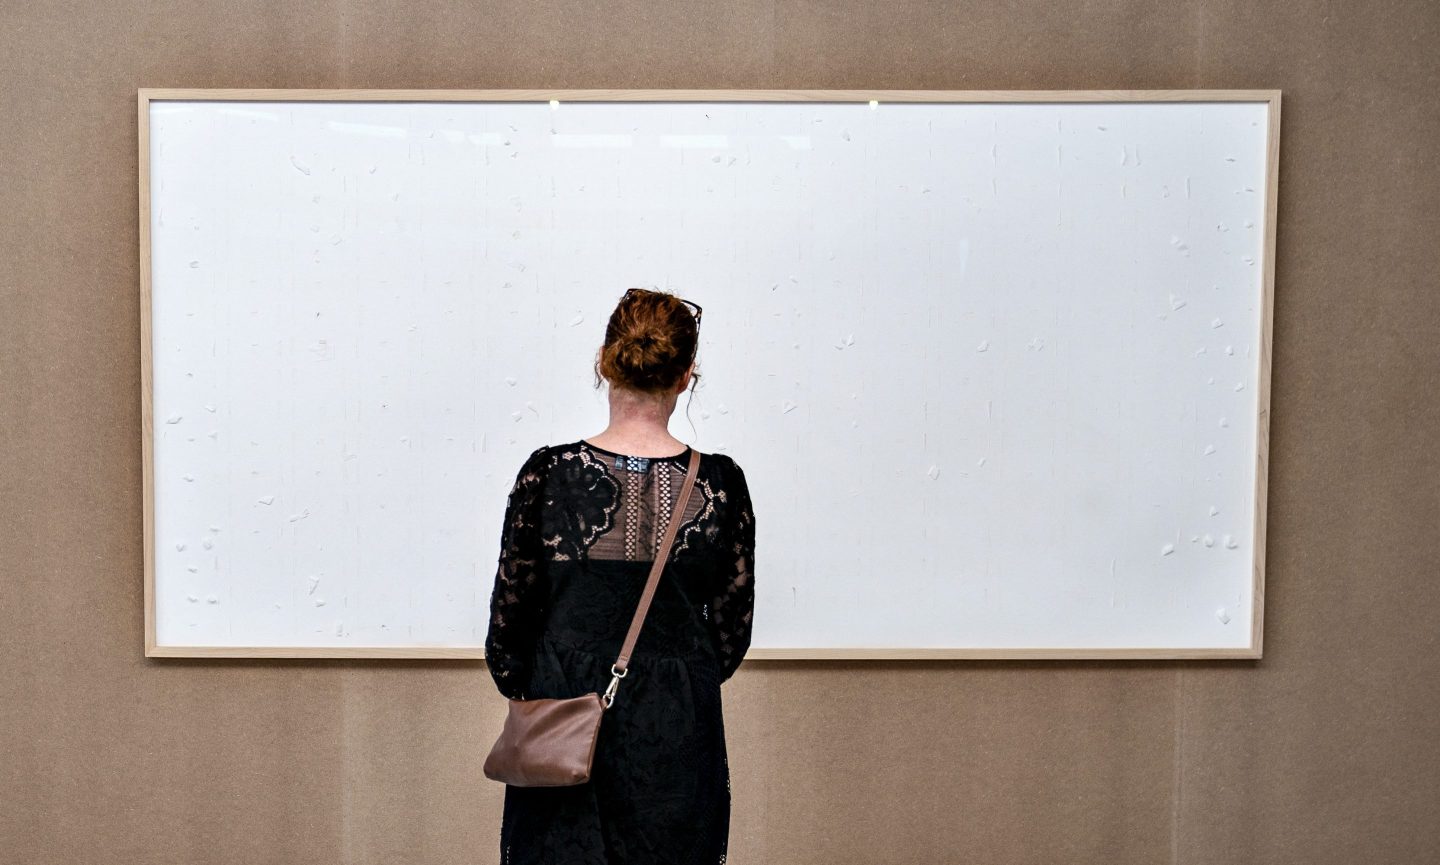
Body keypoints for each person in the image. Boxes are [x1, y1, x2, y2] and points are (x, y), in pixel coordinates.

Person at [484, 287, 756, 865]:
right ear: (686, 376)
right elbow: (731, 636)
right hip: (677, 725)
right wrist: (675, 670)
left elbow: (507, 635)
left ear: (605, 362)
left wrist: (547, 682)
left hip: (563, 723)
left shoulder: (548, 474)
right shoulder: (720, 486)